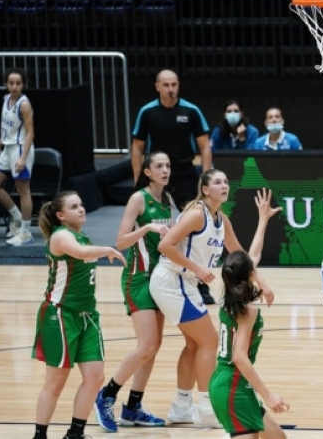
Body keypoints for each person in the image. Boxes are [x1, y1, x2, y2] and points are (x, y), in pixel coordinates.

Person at [150, 169, 276, 428]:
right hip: (171, 280)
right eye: (218, 182)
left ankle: (181, 407)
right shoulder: (197, 214)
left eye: (226, 181)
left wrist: (262, 282)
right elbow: (164, 246)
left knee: (194, 344)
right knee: (209, 340)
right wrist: (197, 268)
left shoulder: (221, 220)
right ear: (205, 189)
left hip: (185, 282)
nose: (224, 185)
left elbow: (241, 256)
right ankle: (207, 408)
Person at [32, 191, 126, 439]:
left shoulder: (82, 236)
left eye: (81, 205)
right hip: (60, 315)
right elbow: (81, 253)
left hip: (87, 316)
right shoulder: (60, 236)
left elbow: (84, 251)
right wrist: (109, 249)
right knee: (56, 383)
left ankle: (75, 434)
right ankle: (39, 436)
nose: (81, 209)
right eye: (74, 207)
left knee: (95, 378)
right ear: (60, 215)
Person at [93, 152, 175, 432]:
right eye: (159, 166)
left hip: (160, 279)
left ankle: (132, 408)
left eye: (168, 166)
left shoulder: (167, 200)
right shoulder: (138, 199)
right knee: (147, 345)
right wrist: (147, 227)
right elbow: (120, 241)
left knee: (153, 347)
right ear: (148, 172)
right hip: (137, 278)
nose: (165, 170)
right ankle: (107, 395)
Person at [209, 188, 289, 438]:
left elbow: (252, 257)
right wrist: (268, 395)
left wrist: (263, 220)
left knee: (278, 437)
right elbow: (240, 358)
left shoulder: (231, 295)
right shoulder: (246, 310)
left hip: (233, 383)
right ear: (251, 275)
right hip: (232, 384)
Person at [131, 69, 215, 305]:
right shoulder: (147, 112)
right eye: (166, 84)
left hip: (185, 176)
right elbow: (137, 147)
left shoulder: (191, 111)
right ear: (157, 86)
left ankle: (201, 283)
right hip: (157, 178)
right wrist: (138, 179)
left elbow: (205, 146)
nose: (170, 88)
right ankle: (151, 278)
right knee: (154, 227)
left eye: (174, 84)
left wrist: (205, 177)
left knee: (196, 227)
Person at [0, 69, 35, 246]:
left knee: (23, 191)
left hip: (20, 148)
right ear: (6, 84)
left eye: (18, 83)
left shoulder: (24, 104)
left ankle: (26, 233)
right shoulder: (6, 99)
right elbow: (9, 128)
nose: (14, 86)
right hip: (7, 147)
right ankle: (17, 217)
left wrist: (22, 158)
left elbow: (30, 133)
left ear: (23, 85)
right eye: (11, 83)